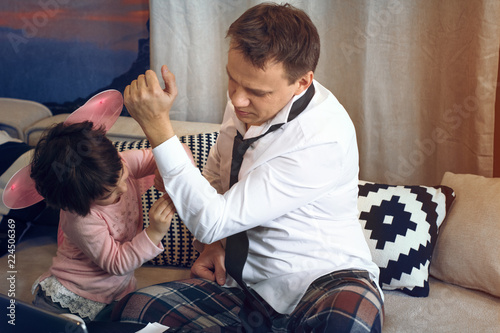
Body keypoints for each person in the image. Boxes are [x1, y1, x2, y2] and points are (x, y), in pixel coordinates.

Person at [117, 3, 384, 332]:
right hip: (247, 289)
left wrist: (158, 128)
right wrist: (212, 246)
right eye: (233, 80)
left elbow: (212, 220)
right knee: (138, 310)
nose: (238, 100)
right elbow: (216, 178)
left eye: (257, 92)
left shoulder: (322, 138)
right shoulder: (244, 104)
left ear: (302, 82)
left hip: (325, 283)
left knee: (347, 326)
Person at [30, 121, 176, 322]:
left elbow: (166, 155)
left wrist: (165, 170)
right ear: (80, 200)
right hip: (69, 298)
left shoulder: (117, 166)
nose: (124, 189)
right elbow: (117, 263)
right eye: (110, 193)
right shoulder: (81, 218)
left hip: (116, 295)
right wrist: (155, 232)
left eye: (122, 176)